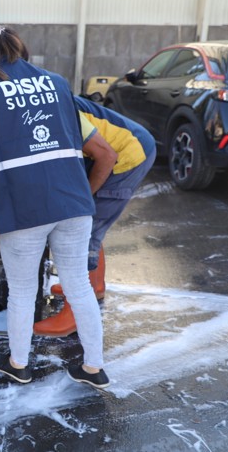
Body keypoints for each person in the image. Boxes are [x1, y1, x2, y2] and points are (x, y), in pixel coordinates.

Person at [0, 26, 109, 389]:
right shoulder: (57, 82)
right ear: (22, 51)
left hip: (24, 203)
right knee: (78, 284)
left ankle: (19, 364)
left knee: (23, 289)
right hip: (73, 197)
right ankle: (94, 367)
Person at [33, 95, 157, 337]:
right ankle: (95, 286)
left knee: (85, 229)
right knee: (91, 223)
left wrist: (84, 197)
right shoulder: (45, 99)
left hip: (128, 154)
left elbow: (106, 156)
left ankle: (75, 314)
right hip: (131, 143)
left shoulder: (55, 111)